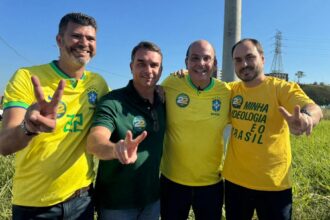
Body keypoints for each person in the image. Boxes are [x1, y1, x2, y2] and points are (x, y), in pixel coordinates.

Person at [0, 13, 108, 219]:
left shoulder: (99, 84)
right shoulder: (27, 77)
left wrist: (178, 79)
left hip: (82, 200)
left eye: (91, 38)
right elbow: (4, 145)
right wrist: (29, 128)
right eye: (76, 36)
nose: (84, 43)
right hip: (34, 204)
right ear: (59, 40)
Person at [222, 38, 323, 220]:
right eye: (238, 60)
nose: (244, 64)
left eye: (250, 57)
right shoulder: (230, 90)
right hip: (235, 182)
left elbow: (313, 108)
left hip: (274, 184)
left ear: (262, 58)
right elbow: (203, 88)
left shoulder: (280, 88)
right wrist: (182, 76)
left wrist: (307, 118)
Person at [86, 41, 166, 220]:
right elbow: (95, 140)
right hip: (117, 204)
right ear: (131, 67)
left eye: (154, 65)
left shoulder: (163, 100)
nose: (148, 70)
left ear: (161, 70)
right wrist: (116, 149)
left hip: (152, 200)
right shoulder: (113, 101)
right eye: (141, 63)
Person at [160, 40, 231, 220]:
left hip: (211, 183)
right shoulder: (171, 83)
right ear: (186, 62)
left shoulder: (226, 92)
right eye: (195, 58)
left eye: (207, 58)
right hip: (172, 181)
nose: (201, 63)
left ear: (215, 64)